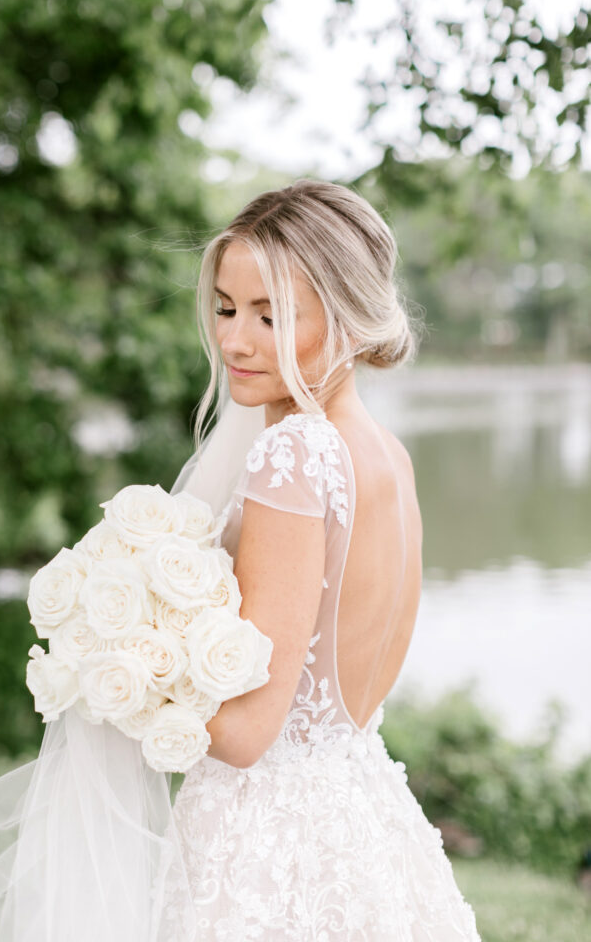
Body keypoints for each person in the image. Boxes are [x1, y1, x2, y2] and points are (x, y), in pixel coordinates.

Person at [164, 178, 482, 940]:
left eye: (271, 317)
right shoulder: (384, 454)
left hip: (266, 843)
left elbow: (245, 736)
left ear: (343, 317)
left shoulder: (294, 456)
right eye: (227, 308)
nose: (236, 340)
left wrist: (138, 656)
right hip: (361, 813)